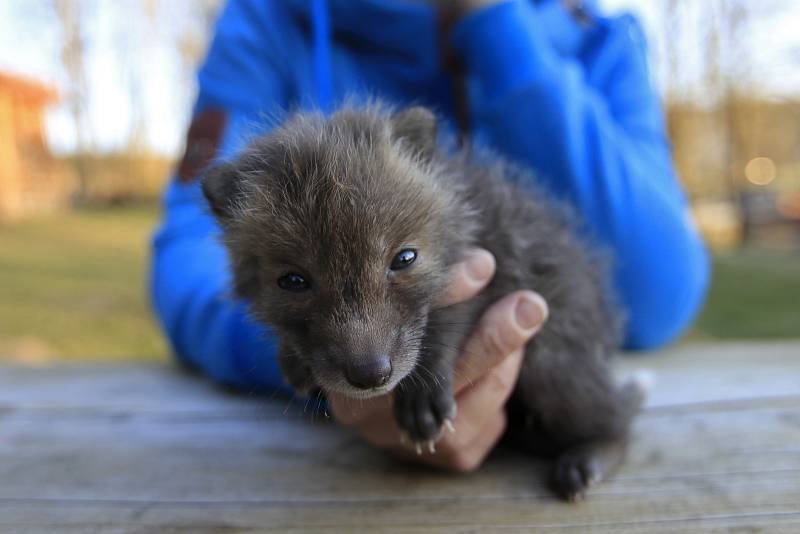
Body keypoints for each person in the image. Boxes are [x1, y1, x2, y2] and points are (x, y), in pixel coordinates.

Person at [151, 0, 709, 471]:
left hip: (559, 369)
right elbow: (187, 262)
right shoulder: (267, 21)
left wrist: (495, 25)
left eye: (403, 260)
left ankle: (598, 438)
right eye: (296, 280)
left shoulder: (598, 36)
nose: (364, 349)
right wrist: (287, 361)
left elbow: (658, 296)